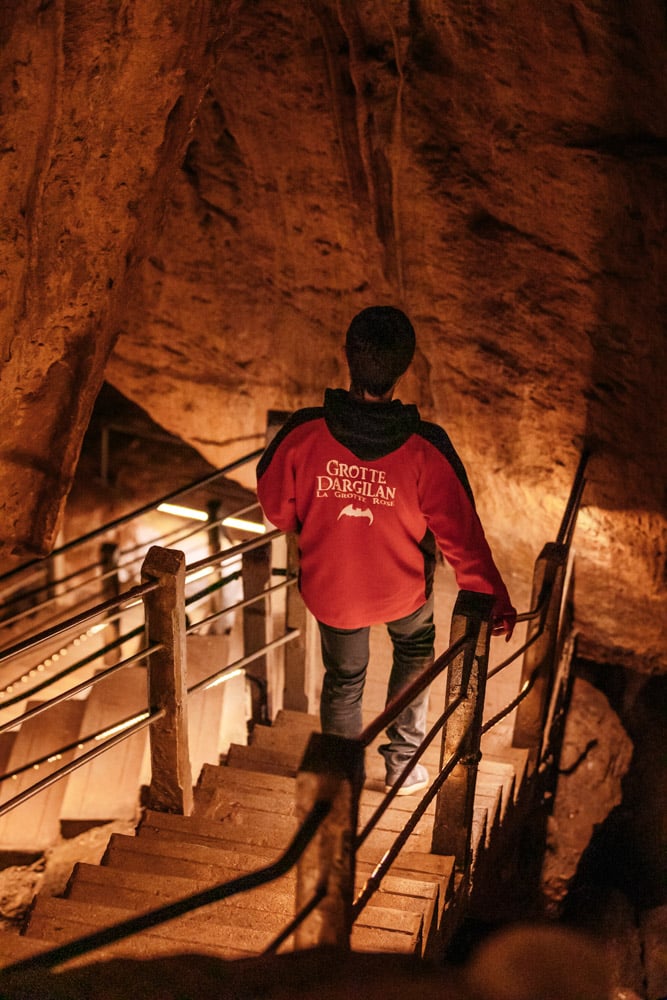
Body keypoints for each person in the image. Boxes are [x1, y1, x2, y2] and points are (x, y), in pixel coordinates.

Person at [256, 306, 515, 795]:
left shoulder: (303, 433)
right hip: (403, 590)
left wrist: (314, 522)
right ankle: (401, 763)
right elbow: (462, 534)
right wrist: (492, 597)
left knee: (344, 677)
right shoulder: (426, 448)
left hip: (334, 589)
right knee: (414, 649)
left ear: (348, 356)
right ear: (404, 368)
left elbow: (275, 508)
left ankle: (338, 785)